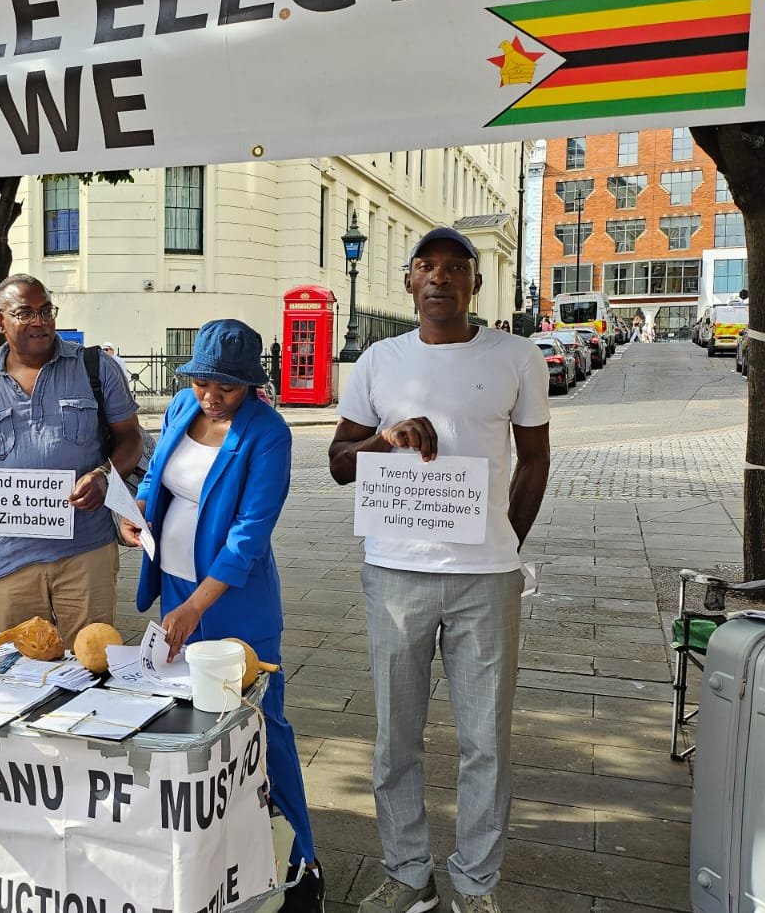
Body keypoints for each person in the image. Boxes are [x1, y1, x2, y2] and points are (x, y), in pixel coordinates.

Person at [328, 228, 550, 913]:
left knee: (486, 741)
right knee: (397, 737)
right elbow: (339, 462)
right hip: (394, 572)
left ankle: (476, 882)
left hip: (487, 580)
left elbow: (535, 458)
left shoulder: (517, 356)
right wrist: (382, 439)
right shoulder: (378, 361)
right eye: (427, 266)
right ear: (409, 281)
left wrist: (502, 542)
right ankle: (407, 871)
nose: (440, 278)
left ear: (475, 283)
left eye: (457, 268)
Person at [122, 318, 322, 913]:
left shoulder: (269, 434)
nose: (211, 396)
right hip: (176, 585)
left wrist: (191, 608)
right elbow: (158, 476)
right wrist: (134, 510)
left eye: (225, 388)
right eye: (203, 381)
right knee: (189, 722)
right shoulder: (184, 405)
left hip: (232, 602)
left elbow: (247, 539)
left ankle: (302, 858)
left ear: (251, 385)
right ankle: (215, 851)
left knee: (262, 727)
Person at [0, 275, 142, 647]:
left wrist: (104, 475)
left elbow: (131, 438)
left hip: (86, 551)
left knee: (92, 668)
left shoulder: (96, 367)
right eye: (25, 313)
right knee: (21, 674)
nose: (39, 321)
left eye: (46, 311)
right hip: (10, 558)